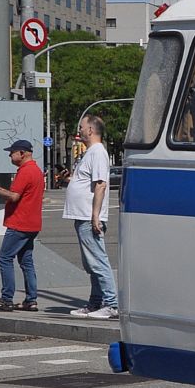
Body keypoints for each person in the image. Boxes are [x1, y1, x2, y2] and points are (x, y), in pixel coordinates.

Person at [64, 115, 118, 319]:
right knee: (90, 263)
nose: (79, 129)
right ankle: (95, 302)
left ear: (91, 130)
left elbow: (101, 184)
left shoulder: (97, 152)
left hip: (89, 217)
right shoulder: (90, 153)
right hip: (83, 215)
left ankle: (111, 304)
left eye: (82, 126)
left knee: (97, 261)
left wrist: (95, 215)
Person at [0, 139, 44, 312]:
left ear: (22, 153)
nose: (10, 155)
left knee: (5, 258)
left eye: (12, 152)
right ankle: (31, 300)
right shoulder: (37, 171)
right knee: (26, 261)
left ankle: (7, 298)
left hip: (20, 223)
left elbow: (14, 196)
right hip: (32, 223)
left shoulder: (25, 171)